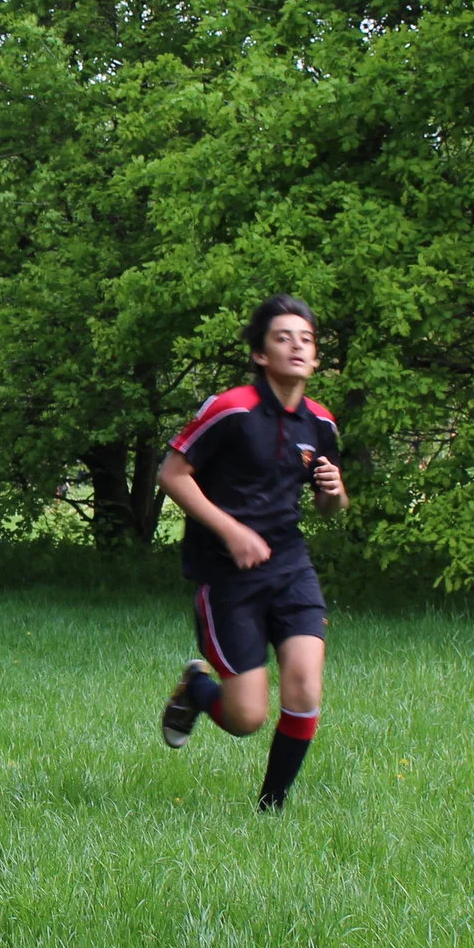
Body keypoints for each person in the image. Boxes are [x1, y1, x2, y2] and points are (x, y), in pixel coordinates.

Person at [157, 296, 349, 811]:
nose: (296, 346)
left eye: (305, 340)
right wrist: (232, 530)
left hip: (290, 565)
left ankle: (271, 810)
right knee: (246, 719)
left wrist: (333, 492)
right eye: (282, 337)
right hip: (226, 572)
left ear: (316, 359)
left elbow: (332, 506)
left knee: (306, 685)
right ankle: (197, 688)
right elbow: (172, 475)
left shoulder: (321, 424)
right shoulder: (231, 409)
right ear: (261, 353)